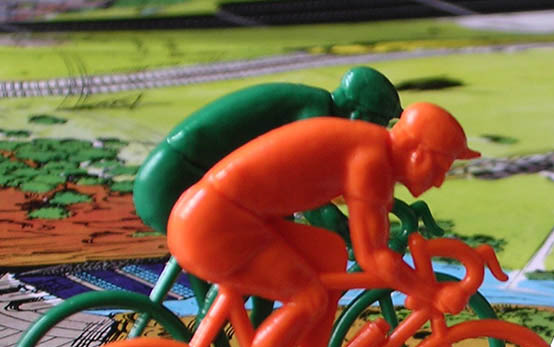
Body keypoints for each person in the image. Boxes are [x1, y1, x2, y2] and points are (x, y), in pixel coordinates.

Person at [166, 103, 480, 347]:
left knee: (329, 256)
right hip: (213, 225)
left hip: (220, 214)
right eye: (442, 167)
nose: (440, 181)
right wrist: (430, 292)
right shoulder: (371, 161)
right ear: (419, 154)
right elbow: (373, 256)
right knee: (308, 297)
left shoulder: (371, 146)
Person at [132, 66, 403, 235]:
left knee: (277, 238)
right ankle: (214, 314)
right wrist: (346, 231)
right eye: (379, 126)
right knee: (244, 255)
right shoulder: (315, 119)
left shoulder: (314, 106)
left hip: (175, 173)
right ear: (359, 116)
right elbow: (305, 191)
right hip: (174, 180)